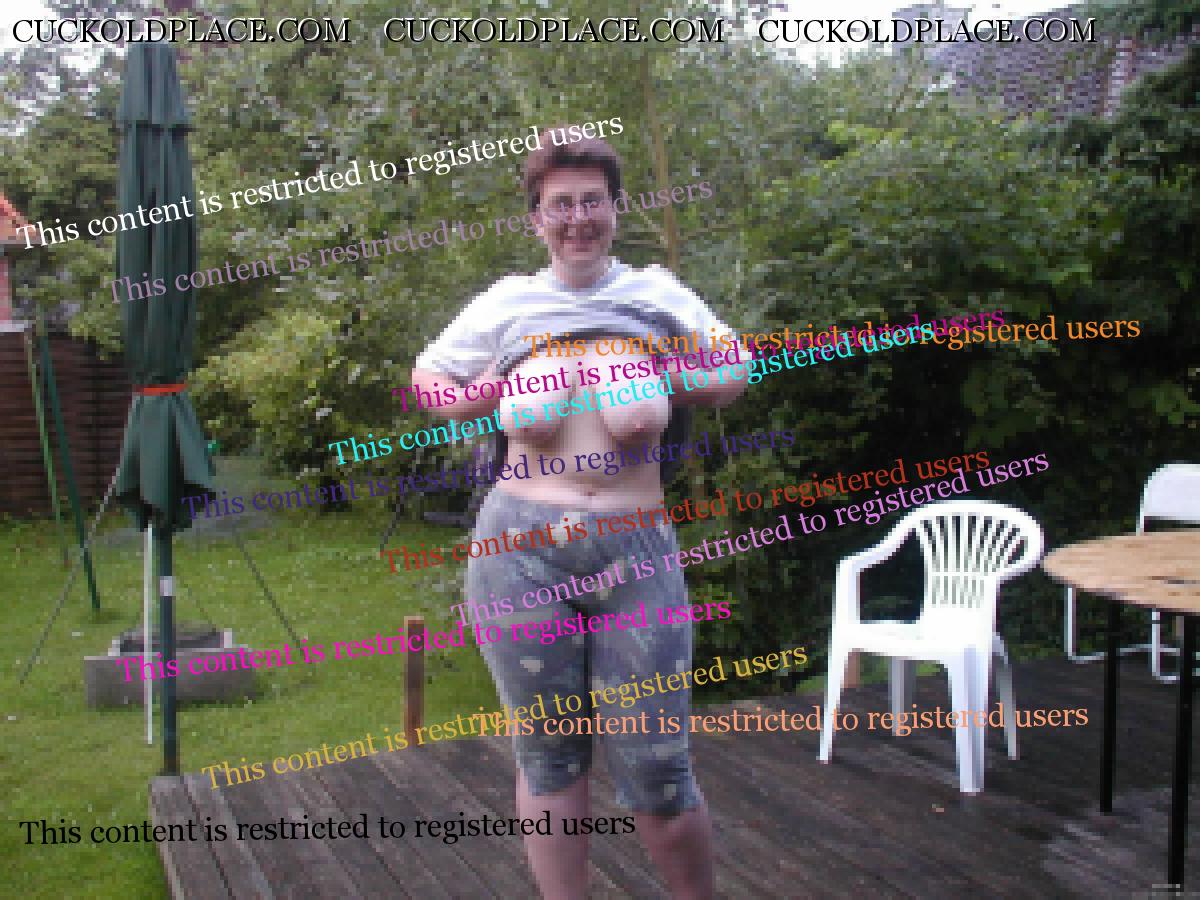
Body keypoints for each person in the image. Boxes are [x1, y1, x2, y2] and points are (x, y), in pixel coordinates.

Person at [410, 129, 745, 900]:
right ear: (536, 218)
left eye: (592, 201)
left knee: (658, 767)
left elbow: (733, 370)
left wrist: (662, 372)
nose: (578, 219)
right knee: (548, 759)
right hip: (519, 552)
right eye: (560, 204)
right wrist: (483, 395)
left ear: (616, 208)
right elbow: (429, 378)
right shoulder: (509, 301)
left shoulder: (656, 292)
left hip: (636, 550)